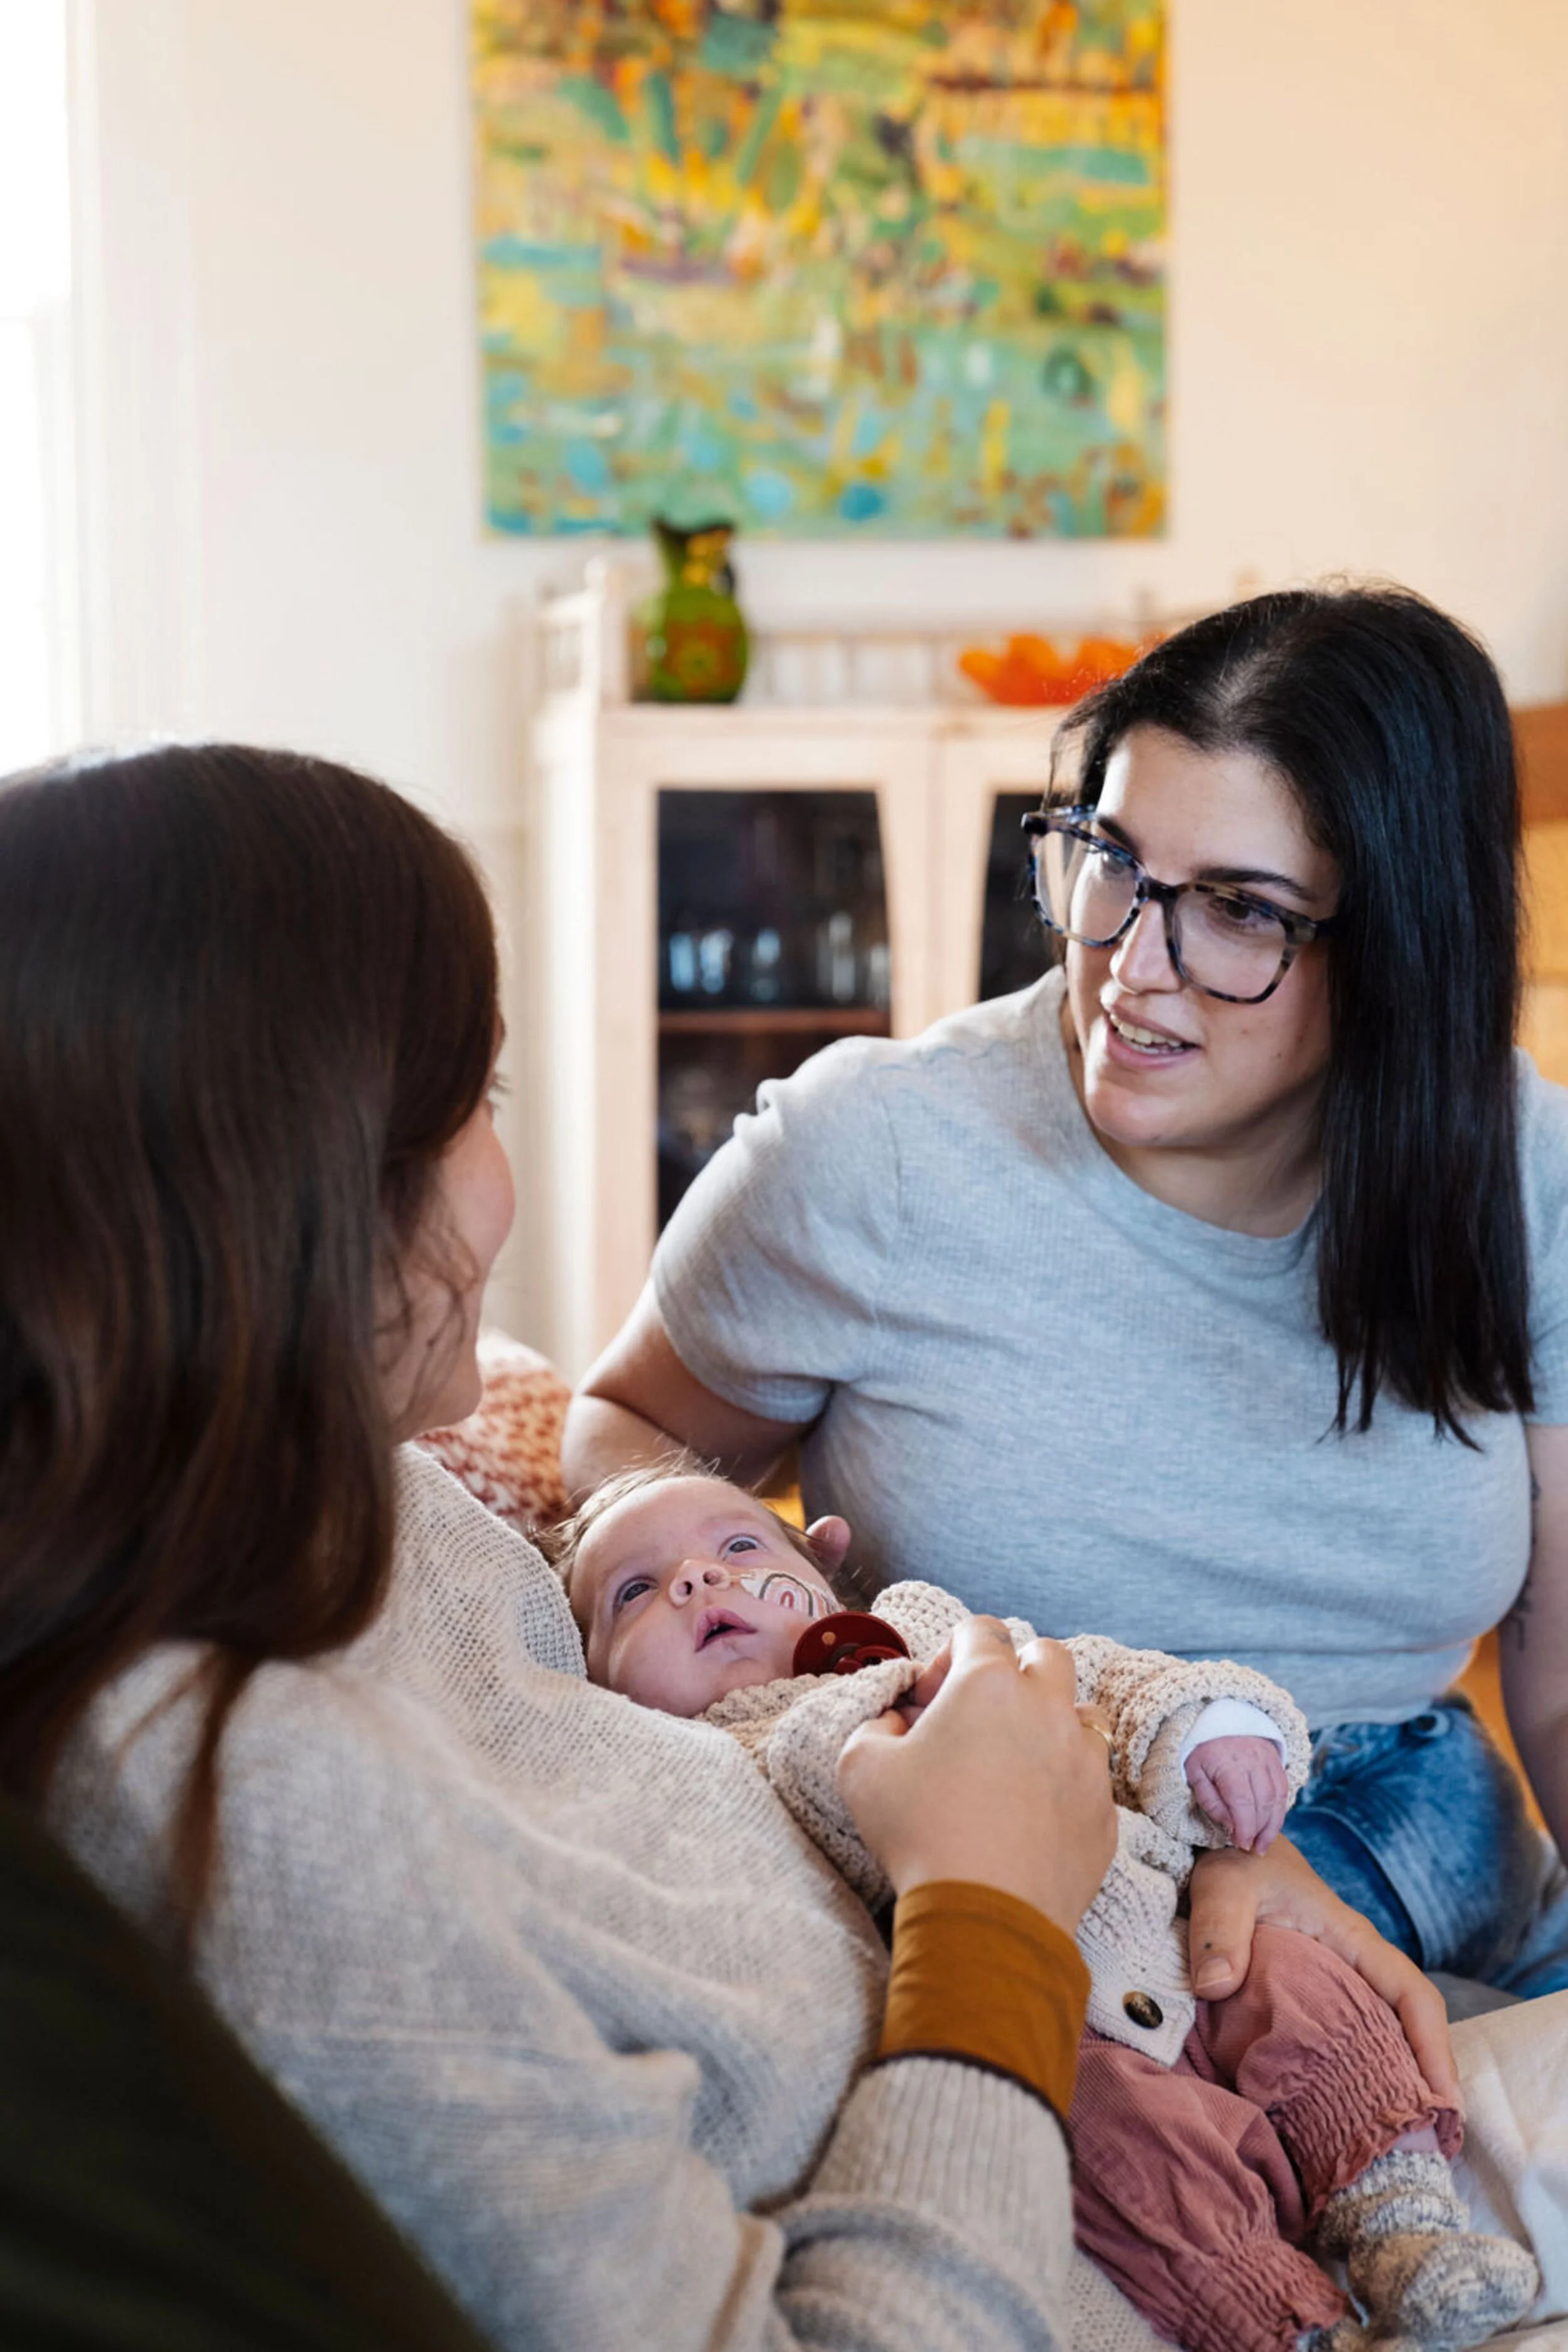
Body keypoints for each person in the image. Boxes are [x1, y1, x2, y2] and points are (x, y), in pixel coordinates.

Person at [9, 739, 1421, 2352]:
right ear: (291, 1199)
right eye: (474, 1102)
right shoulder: (249, 1810)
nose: (502, 1190)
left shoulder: (361, 1506)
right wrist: (991, 1907)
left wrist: (1145, 1820)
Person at [564, 583, 1568, 2002]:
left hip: (1425, 1840)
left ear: (1397, 950)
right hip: (1034, 1852)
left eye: (1236, 911)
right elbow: (616, 1430)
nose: (1126, 966)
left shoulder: (1519, 1167)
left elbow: (1559, 1682)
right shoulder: (874, 1153)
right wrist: (740, 1605)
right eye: (1105, 859)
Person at [551, 1462, 1539, 2352]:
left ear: (824, 1566)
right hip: (1058, 2030)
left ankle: (1407, 2227)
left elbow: (1107, 1680)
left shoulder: (934, 1634)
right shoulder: (704, 1771)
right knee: (1122, 2161)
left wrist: (1206, 1729)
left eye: (737, 1544)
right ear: (599, 1687)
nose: (698, 1579)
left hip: (1182, 1924)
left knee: (1313, 1998)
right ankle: (1289, 2326)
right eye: (636, 1591)